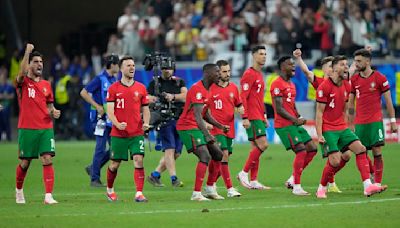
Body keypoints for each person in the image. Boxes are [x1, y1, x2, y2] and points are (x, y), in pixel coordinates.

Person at [315, 55, 387, 198]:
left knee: (361, 149)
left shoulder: (347, 85)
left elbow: (344, 109)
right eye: (343, 65)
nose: (346, 67)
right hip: (329, 129)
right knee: (335, 161)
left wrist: (348, 126)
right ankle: (321, 188)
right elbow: (319, 112)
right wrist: (319, 134)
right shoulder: (324, 87)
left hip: (342, 127)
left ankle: (367, 186)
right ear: (334, 68)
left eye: (347, 65)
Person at [293, 49, 345, 193]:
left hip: (341, 125)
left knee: (345, 155)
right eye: (328, 66)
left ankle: (330, 179)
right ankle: (329, 183)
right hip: (328, 126)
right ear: (324, 69)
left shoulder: (342, 82)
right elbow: (306, 72)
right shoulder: (321, 82)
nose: (332, 68)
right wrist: (299, 58)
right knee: (334, 156)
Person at [14, 43, 61, 204]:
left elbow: (49, 106)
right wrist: (27, 52)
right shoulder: (23, 82)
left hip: (45, 128)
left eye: (41, 62)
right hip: (27, 128)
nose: (39, 64)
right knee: (25, 162)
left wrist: (54, 111)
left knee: (47, 158)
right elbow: (20, 74)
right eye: (35, 62)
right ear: (29, 65)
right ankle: (19, 190)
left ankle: (48, 195)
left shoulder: (47, 85)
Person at [176, 63, 229, 201]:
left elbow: (206, 114)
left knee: (218, 155)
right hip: (187, 127)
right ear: (207, 73)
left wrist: (220, 126)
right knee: (205, 156)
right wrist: (207, 134)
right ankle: (196, 194)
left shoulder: (209, 89)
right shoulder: (197, 89)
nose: (219, 74)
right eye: (217, 72)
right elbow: (198, 116)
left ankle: (210, 189)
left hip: (196, 127)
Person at [348, 49, 398, 187]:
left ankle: (377, 182)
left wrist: (393, 121)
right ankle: (368, 178)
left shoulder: (380, 78)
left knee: (377, 150)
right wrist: (350, 123)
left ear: (368, 61)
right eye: (355, 61)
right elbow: (351, 104)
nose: (356, 64)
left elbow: (388, 102)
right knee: (361, 151)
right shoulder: (354, 80)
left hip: (375, 122)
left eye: (359, 61)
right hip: (359, 122)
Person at [270, 56, 318, 196]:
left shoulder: (291, 84)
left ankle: (292, 179)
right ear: (282, 67)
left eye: (294, 64)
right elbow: (279, 109)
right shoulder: (276, 84)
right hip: (284, 125)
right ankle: (297, 187)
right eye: (291, 65)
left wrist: (298, 116)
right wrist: (294, 120)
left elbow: (291, 105)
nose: (294, 67)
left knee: (312, 148)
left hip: (293, 122)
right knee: (301, 151)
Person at [105, 56, 150, 202]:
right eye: (128, 65)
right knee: (114, 164)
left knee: (138, 160)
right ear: (121, 68)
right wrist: (117, 124)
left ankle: (139, 193)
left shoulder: (141, 88)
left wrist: (146, 123)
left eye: (133, 65)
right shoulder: (113, 89)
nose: (132, 68)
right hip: (118, 134)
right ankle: (110, 190)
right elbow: (110, 111)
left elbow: (146, 109)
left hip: (136, 133)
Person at [203, 60, 242, 198]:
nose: (228, 74)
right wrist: (204, 122)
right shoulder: (210, 89)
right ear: (218, 72)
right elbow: (202, 109)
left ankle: (210, 185)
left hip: (229, 129)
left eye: (229, 71)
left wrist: (243, 114)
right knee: (223, 155)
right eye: (224, 71)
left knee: (220, 160)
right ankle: (230, 189)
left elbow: (239, 104)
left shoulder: (233, 88)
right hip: (216, 129)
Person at [80, 54, 119, 187]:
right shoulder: (99, 79)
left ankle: (93, 168)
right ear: (111, 64)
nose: (119, 66)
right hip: (100, 119)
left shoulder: (114, 80)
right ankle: (94, 179)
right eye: (117, 63)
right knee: (100, 148)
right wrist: (97, 106)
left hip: (110, 119)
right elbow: (83, 92)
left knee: (115, 148)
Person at [146, 64, 186, 187]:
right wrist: (157, 98)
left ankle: (155, 175)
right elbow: (146, 98)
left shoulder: (179, 82)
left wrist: (172, 97)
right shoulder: (155, 83)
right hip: (164, 119)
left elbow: (186, 96)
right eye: (164, 68)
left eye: (169, 68)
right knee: (169, 149)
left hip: (179, 118)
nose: (167, 70)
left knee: (177, 153)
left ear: (173, 69)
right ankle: (174, 179)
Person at [237, 45, 270, 190]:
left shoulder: (259, 75)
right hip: (251, 116)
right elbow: (242, 96)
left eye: (265, 54)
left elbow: (259, 98)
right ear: (253, 56)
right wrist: (244, 116)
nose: (264, 56)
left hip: (258, 115)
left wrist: (264, 115)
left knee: (255, 148)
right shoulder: (249, 74)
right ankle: (243, 173)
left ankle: (254, 180)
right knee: (263, 145)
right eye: (261, 54)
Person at [0, 66, 14, 141]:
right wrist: (4, 96)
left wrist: (5, 96)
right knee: (1, 122)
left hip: (7, 106)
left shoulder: (9, 85)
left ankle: (9, 137)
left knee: (7, 122)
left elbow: (12, 96)